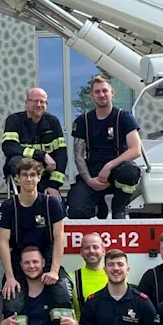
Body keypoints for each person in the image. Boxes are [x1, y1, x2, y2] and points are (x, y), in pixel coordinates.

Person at [0, 158, 80, 325]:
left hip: (47, 260)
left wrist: (54, 270)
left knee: (62, 293)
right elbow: (3, 242)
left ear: (39, 178)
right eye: (24, 175)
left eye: (33, 175)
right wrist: (10, 277)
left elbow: (60, 237)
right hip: (18, 263)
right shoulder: (8, 206)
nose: (29, 179)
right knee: (12, 303)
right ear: (18, 179)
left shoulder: (51, 203)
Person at [67, 75, 142, 219]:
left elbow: (136, 149)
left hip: (117, 171)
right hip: (92, 174)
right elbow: (78, 155)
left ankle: (118, 207)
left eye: (105, 91)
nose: (101, 95)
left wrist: (109, 166)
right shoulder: (83, 121)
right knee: (76, 211)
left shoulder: (124, 117)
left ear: (112, 92)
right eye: (97, 92)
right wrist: (89, 180)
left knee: (130, 172)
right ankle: (99, 207)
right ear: (92, 95)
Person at [1, 87, 68, 197]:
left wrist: (54, 186)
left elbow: (61, 155)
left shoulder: (53, 122)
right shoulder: (14, 120)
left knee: (59, 209)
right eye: (35, 101)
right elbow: (9, 147)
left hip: (46, 178)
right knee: (16, 161)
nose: (39, 104)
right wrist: (42, 155)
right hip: (22, 179)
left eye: (42, 101)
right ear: (26, 103)